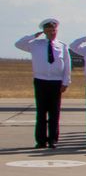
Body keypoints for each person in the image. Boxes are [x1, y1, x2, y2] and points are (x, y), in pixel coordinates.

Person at [15, 19, 71, 148]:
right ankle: (41, 141)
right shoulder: (35, 44)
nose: (52, 32)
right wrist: (34, 36)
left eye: (54, 30)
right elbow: (18, 44)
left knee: (54, 112)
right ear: (44, 31)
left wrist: (66, 82)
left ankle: (53, 140)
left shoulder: (62, 46)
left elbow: (67, 65)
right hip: (41, 81)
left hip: (56, 82)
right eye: (49, 30)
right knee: (41, 112)